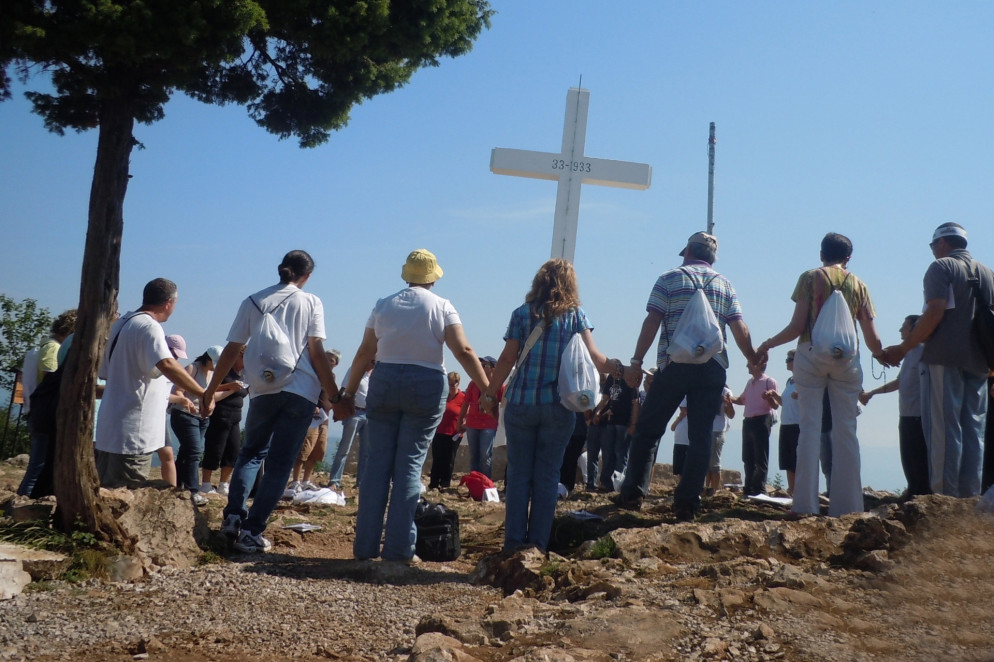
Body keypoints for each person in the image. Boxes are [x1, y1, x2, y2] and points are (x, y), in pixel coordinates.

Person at [333, 249, 489, 564]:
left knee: (377, 466)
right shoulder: (443, 306)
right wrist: (487, 389)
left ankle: (364, 549)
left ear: (406, 276)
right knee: (409, 467)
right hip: (427, 382)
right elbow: (463, 349)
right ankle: (399, 550)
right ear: (433, 278)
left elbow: (365, 352)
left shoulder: (383, 304)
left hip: (385, 379)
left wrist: (347, 393)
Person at [617, 232, 759, 520]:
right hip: (712, 367)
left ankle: (632, 493)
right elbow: (738, 326)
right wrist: (752, 359)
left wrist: (636, 360)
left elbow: (652, 320)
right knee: (701, 434)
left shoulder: (669, 278)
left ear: (688, 252)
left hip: (673, 364)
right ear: (712, 257)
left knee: (649, 428)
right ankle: (687, 503)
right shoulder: (724, 284)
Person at [204, 250, 339, 553]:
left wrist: (210, 389)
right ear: (307, 276)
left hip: (263, 388)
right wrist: (333, 395)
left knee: (250, 453)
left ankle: (233, 519)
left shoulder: (252, 301)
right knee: (280, 463)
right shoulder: (311, 302)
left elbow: (232, 348)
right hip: (301, 391)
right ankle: (252, 532)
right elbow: (317, 352)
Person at [481, 259, 619, 552]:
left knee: (518, 476)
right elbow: (595, 357)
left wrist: (490, 393)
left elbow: (507, 359)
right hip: (559, 407)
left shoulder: (521, 314)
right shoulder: (576, 316)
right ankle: (538, 546)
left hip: (521, 402)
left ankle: (513, 545)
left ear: (539, 282)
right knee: (547, 478)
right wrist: (619, 367)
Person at [758, 233, 885, 517]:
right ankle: (849, 507)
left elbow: (796, 327)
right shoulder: (859, 285)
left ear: (821, 254)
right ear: (848, 258)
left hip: (811, 357)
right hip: (846, 362)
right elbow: (871, 337)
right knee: (846, 431)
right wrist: (884, 355)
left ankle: (804, 505)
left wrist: (768, 344)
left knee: (809, 429)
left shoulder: (810, 278)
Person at [881, 223, 994, 498]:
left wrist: (905, 347)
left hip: (945, 357)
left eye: (932, 245)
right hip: (980, 360)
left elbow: (934, 311)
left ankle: (943, 498)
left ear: (942, 243)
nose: (932, 251)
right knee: (973, 429)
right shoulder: (988, 273)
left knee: (944, 427)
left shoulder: (941, 267)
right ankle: (969, 498)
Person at [94, 279, 208, 489]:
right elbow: (166, 363)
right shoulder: (149, 326)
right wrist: (202, 393)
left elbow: (108, 373)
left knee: (107, 492)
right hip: (133, 433)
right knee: (126, 494)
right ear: (168, 303)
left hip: (111, 429)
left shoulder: (122, 323)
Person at [860, 315, 930, 498]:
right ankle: (913, 491)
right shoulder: (910, 354)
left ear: (914, 330)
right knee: (908, 458)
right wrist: (872, 393)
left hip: (918, 416)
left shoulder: (923, 352)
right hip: (906, 415)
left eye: (903, 327)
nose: (900, 330)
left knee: (917, 459)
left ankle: (920, 494)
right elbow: (900, 382)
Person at [17, 309, 76, 497]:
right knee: (39, 464)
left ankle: (24, 501)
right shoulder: (52, 347)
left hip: (36, 409)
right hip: (45, 410)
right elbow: (50, 374)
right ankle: (23, 503)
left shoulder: (38, 348)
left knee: (39, 463)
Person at [169, 345, 224, 504]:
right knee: (195, 451)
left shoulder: (212, 374)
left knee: (187, 451)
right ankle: (193, 490)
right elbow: (177, 391)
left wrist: (212, 403)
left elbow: (210, 394)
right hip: (184, 415)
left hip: (202, 418)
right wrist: (187, 402)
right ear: (207, 359)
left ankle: (178, 485)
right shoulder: (192, 369)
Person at [290, 349, 341, 491]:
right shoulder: (314, 373)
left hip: (324, 419)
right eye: (326, 357)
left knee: (318, 450)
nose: (327, 361)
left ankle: (306, 480)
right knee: (304, 450)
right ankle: (295, 481)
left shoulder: (332, 377)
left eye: (331, 359)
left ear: (335, 364)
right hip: (311, 417)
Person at [201, 345, 248, 496]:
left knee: (232, 451)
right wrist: (230, 387)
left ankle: (224, 484)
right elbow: (210, 388)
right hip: (220, 415)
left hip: (235, 417)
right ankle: (206, 484)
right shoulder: (224, 371)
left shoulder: (244, 375)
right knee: (214, 449)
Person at [731, 359, 779, 496]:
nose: (747, 365)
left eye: (749, 363)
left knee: (760, 457)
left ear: (758, 364)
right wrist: (730, 399)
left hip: (762, 420)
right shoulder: (750, 382)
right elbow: (742, 400)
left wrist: (769, 398)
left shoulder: (769, 381)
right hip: (748, 421)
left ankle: (759, 489)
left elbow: (775, 405)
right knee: (748, 457)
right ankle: (749, 488)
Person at [326, 359, 373, 490]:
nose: (372, 364)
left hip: (370, 414)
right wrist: (338, 407)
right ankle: (335, 481)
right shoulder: (355, 370)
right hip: (355, 412)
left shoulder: (375, 374)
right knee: (344, 448)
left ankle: (361, 483)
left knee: (366, 451)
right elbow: (344, 388)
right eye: (372, 361)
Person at [590, 371, 638, 491]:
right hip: (611, 422)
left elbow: (635, 403)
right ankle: (606, 483)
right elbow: (606, 398)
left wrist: (633, 423)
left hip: (624, 422)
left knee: (620, 453)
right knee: (608, 452)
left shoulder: (629, 378)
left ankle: (618, 484)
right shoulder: (611, 379)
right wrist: (598, 412)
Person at [457, 356, 503, 478]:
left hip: (489, 425)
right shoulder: (473, 383)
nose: (481, 368)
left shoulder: (498, 386)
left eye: (484, 366)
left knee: (485, 454)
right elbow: (465, 403)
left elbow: (505, 401)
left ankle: (485, 483)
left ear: (493, 368)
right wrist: (460, 421)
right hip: (472, 424)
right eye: (480, 365)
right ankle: (475, 482)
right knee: (473, 456)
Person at [428, 371, 465, 490]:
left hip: (454, 433)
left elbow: (468, 415)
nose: (452, 385)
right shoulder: (442, 395)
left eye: (455, 383)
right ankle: (433, 483)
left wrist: (463, 425)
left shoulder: (463, 398)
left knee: (449, 459)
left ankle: (445, 484)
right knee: (437, 458)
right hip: (439, 431)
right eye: (449, 383)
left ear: (458, 383)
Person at [777, 350, 800, 494]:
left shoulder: (804, 380)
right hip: (785, 424)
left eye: (789, 359)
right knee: (787, 461)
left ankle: (799, 492)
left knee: (796, 461)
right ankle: (792, 491)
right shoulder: (789, 381)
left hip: (797, 425)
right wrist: (774, 397)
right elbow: (785, 403)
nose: (787, 362)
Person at [706, 385, 735, 494]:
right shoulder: (706, 388)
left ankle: (714, 490)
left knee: (714, 462)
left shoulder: (726, 391)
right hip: (706, 429)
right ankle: (707, 488)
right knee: (707, 461)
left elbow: (731, 415)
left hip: (718, 429)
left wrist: (728, 404)